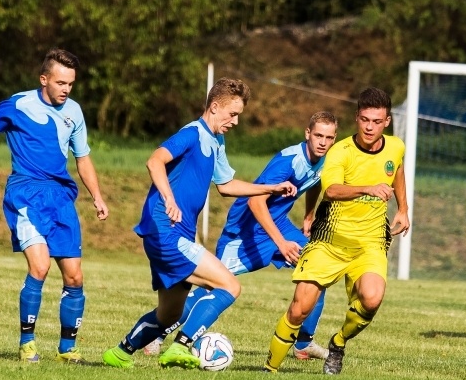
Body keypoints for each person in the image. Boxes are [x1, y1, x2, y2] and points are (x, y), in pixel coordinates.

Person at [102, 77, 297, 370]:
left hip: (174, 234)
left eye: (239, 116)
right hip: (165, 231)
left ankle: (119, 354)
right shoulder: (192, 133)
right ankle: (181, 346)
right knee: (229, 286)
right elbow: (155, 161)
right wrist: (168, 198)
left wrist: (270, 188)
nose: (235, 121)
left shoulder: (216, 141)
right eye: (233, 114)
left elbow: (227, 185)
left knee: (168, 315)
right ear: (215, 107)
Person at [142, 111, 339, 360]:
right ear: (307, 134)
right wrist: (281, 243)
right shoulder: (289, 161)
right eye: (318, 135)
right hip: (246, 231)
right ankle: (157, 335)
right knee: (214, 285)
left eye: (329, 137)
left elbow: (315, 182)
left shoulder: (324, 159)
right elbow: (256, 202)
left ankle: (303, 343)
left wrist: (309, 216)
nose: (323, 142)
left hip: (278, 224)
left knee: (318, 269)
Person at [0, 48, 108, 364]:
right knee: (40, 266)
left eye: (70, 84)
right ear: (44, 79)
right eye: (60, 82)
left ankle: (68, 349)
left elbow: (82, 158)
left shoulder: (75, 112)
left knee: (74, 278)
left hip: (61, 198)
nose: (66, 89)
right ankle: (27, 343)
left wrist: (97, 196)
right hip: (25, 194)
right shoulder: (17, 105)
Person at [263, 87, 410, 375]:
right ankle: (270, 370)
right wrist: (367, 188)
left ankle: (338, 343)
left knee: (372, 298)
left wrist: (403, 209)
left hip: (370, 242)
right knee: (299, 308)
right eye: (365, 119)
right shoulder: (340, 151)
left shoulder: (395, 147)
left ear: (387, 122)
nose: (370, 127)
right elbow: (331, 189)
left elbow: (398, 171)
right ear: (357, 117)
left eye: (376, 121)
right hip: (330, 239)